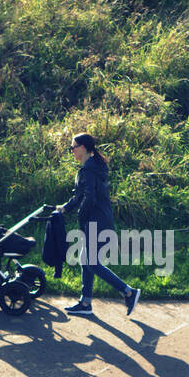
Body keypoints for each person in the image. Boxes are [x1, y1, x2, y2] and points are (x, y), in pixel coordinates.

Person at [54, 132, 140, 317]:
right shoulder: (92, 167)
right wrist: (65, 208)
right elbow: (80, 196)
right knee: (87, 260)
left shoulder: (89, 169)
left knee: (91, 262)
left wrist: (81, 217)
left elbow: (89, 198)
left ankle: (129, 292)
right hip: (100, 219)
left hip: (96, 221)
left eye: (73, 147)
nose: (72, 151)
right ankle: (86, 303)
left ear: (83, 148)